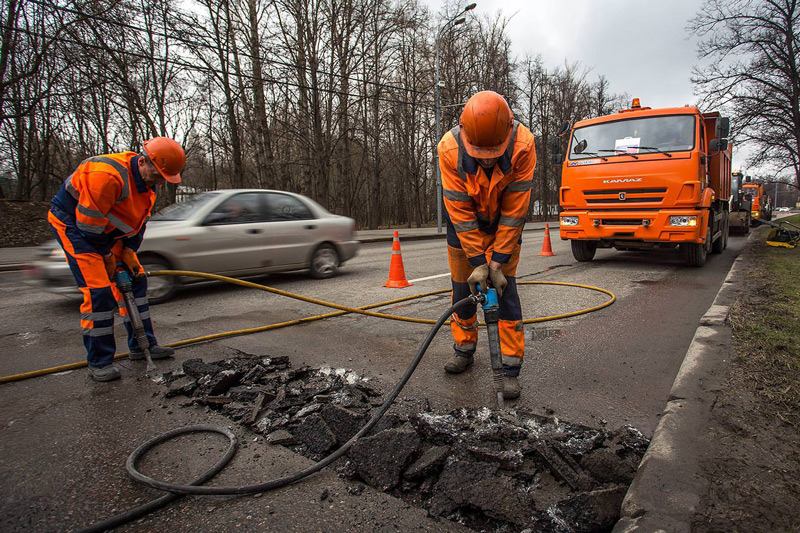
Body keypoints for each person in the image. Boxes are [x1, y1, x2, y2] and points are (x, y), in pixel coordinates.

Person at [48, 137, 186, 381]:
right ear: (142, 162)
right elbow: (88, 226)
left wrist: (129, 250)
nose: (160, 183)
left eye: (164, 179)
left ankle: (142, 345)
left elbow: (138, 223)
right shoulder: (107, 175)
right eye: (158, 176)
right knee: (99, 291)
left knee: (136, 281)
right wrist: (106, 256)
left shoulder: (148, 186)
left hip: (107, 232)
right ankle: (99, 362)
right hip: (74, 226)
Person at [437, 90, 536, 399]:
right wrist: (478, 261)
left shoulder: (523, 146)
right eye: (481, 152)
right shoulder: (449, 149)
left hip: (504, 227)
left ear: (507, 134)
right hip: (464, 228)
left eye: (493, 152)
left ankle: (509, 369)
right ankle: (464, 349)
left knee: (504, 291)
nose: (488, 158)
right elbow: (460, 213)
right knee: (462, 291)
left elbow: (515, 210)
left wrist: (496, 263)